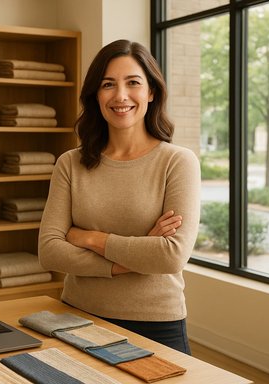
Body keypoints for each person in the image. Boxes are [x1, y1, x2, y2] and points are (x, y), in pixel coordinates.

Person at [38, 39, 201, 354]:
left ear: (151, 92)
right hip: (76, 317)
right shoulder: (70, 164)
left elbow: (171, 256)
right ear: (96, 96)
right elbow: (50, 251)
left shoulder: (178, 162)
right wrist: (132, 260)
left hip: (156, 324)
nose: (120, 95)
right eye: (108, 84)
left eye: (133, 83)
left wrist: (90, 238)